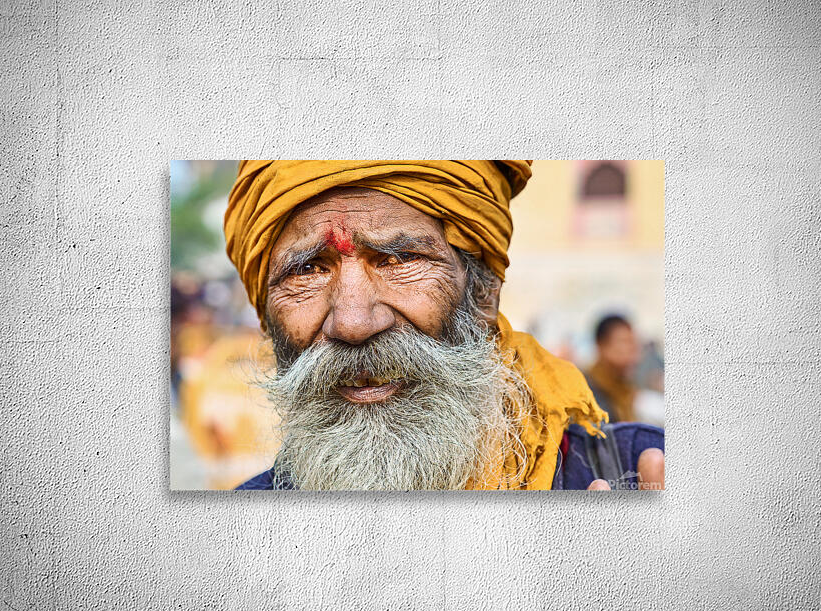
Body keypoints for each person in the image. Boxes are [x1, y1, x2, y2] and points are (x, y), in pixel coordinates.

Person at [223, 161, 663, 491]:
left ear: (484, 294)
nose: (353, 322)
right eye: (307, 270)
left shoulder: (643, 471)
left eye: (400, 260)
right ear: (268, 316)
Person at [586, 314, 641, 424]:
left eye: (634, 342)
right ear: (601, 345)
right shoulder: (586, 389)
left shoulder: (624, 389)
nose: (633, 349)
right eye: (625, 341)